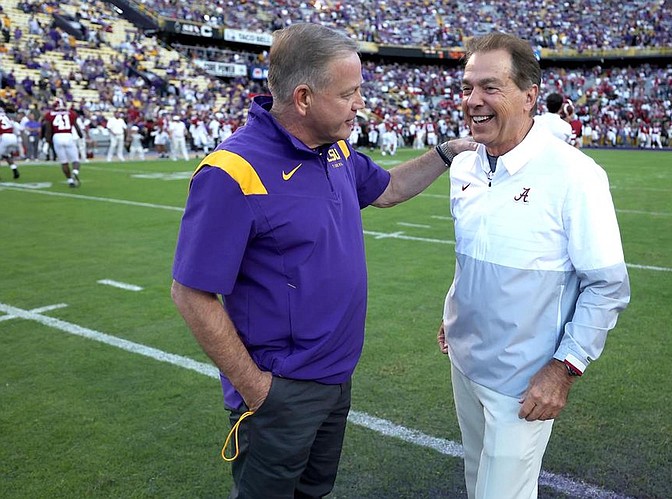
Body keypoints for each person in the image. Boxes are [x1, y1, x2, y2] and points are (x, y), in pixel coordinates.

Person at [170, 23, 475, 499]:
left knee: (313, 493)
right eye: (349, 93)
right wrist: (255, 387)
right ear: (305, 98)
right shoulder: (233, 171)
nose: (360, 104)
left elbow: (388, 188)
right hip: (280, 388)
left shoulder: (333, 148)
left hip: (336, 378)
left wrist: (447, 153)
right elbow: (190, 292)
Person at [436, 33, 631, 499]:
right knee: (474, 480)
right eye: (466, 88)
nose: (472, 101)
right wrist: (456, 308)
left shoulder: (576, 176)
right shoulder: (463, 166)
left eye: (489, 87)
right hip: (464, 362)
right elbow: (472, 256)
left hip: (524, 380)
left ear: (529, 96)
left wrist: (564, 368)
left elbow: (607, 287)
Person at [43, 98, 82, 187]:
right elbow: (76, 126)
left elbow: (48, 130)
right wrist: (81, 136)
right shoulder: (71, 114)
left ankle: (70, 181)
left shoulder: (50, 115)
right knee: (75, 160)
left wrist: (47, 141)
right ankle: (75, 171)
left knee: (64, 162)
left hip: (57, 136)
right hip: (68, 135)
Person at [0, 107, 21, 179]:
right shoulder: (7, 118)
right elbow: (16, 128)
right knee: (6, 155)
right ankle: (15, 170)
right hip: (13, 137)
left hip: (4, 137)